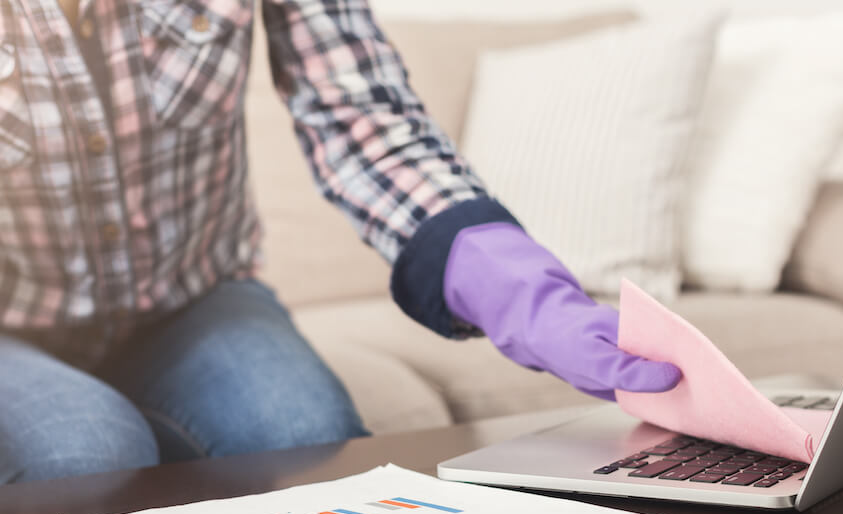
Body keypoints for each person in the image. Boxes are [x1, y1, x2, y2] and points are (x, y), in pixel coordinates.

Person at [0, 0, 681, 484]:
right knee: (83, 460)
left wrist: (522, 294)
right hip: (12, 327)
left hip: (192, 296)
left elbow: (362, 117)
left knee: (311, 445)